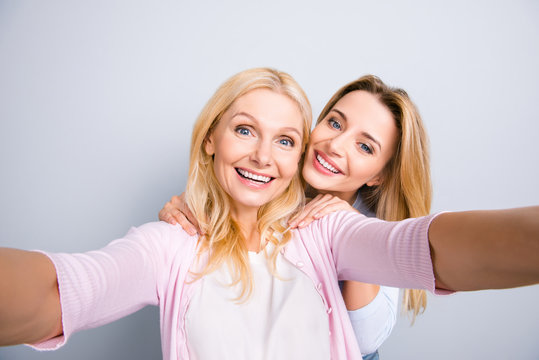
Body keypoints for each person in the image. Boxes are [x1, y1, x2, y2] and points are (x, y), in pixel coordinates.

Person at [1, 68, 538, 360]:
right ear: (209, 137)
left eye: (284, 139)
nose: (263, 155)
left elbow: (426, 249)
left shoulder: (329, 229)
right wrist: (192, 213)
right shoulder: (172, 240)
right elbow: (67, 289)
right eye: (243, 130)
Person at [158, 74, 432, 359]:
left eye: (364, 147)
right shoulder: (268, 178)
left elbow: (363, 343)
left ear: (378, 175)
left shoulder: (378, 229)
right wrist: (185, 209)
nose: (335, 145)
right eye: (335, 123)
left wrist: (357, 235)